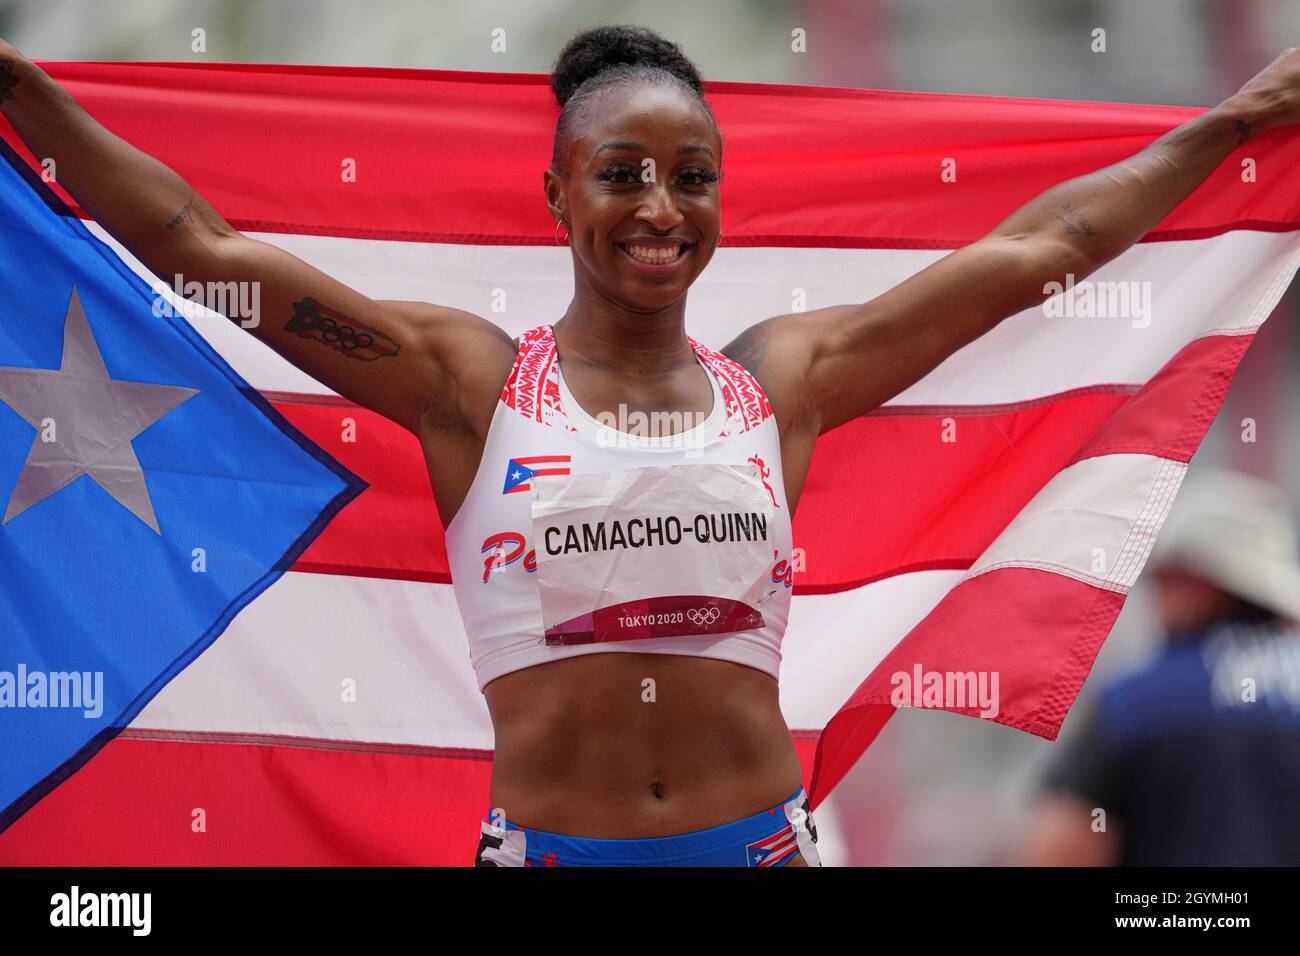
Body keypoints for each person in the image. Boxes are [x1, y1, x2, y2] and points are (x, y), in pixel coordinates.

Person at [2, 24, 1299, 867]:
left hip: (761, 853)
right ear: (559, 193)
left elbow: (1041, 255)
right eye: (622, 172)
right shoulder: (463, 383)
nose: (660, 207)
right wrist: (21, 93)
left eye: (693, 175)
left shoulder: (787, 379)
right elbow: (203, 250)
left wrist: (1236, 121)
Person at [1022, 468, 1300, 866]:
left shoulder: (1138, 702)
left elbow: (1060, 850)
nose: (1156, 601)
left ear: (1201, 583)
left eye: (1165, 582)